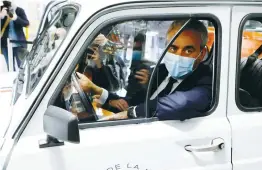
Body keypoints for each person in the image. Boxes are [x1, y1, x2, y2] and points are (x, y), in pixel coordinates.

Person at [77, 19, 212, 121]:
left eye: (188, 50)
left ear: (202, 53)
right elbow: (131, 104)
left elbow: (180, 103)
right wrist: (96, 90)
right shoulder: (162, 71)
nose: (178, 55)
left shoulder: (207, 81)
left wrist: (131, 112)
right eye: (173, 48)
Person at [0, 0, 29, 71]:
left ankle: (23, 81)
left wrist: (15, 17)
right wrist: (1, 17)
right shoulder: (1, 10)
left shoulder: (19, 10)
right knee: (10, 68)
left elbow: (26, 24)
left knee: (22, 66)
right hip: (5, 45)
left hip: (19, 44)